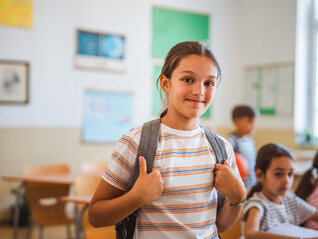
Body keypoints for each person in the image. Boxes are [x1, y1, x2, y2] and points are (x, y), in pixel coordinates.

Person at [88, 41, 246, 238]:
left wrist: (238, 198)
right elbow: (95, 216)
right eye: (188, 79)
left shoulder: (222, 147)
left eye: (209, 83)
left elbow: (221, 225)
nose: (200, 91)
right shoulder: (137, 141)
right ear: (165, 83)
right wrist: (136, 197)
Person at [241, 143, 318, 239]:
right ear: (260, 175)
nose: (286, 181)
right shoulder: (257, 204)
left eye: (290, 174)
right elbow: (250, 234)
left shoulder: (290, 200)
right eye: (279, 174)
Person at [226, 105, 257, 190]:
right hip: (240, 186)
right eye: (249, 122)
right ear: (237, 122)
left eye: (254, 122)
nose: (253, 126)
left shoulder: (250, 141)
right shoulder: (231, 141)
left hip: (252, 185)